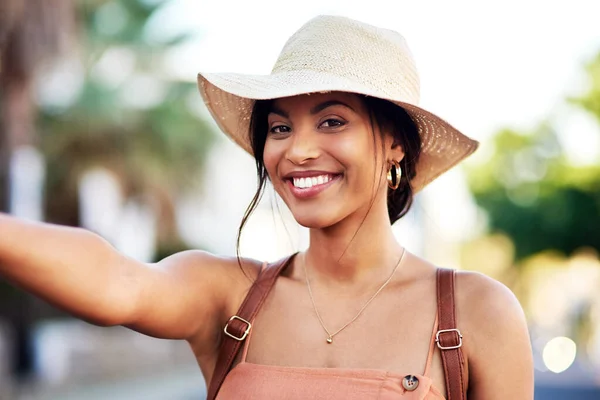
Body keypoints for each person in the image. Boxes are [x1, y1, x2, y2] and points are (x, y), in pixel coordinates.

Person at [0, 15, 533, 399]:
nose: (296, 150)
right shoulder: (230, 296)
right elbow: (116, 281)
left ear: (394, 142)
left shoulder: (475, 312)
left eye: (332, 121)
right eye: (280, 127)